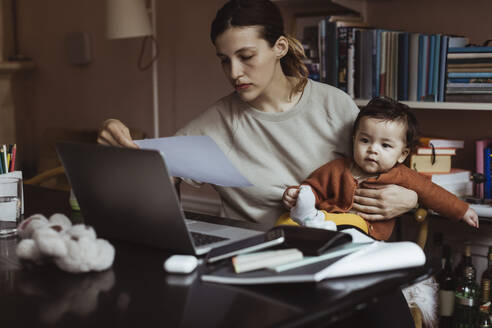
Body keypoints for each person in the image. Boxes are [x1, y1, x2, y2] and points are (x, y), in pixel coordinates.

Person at [98, 0, 419, 228]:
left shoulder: (334, 105)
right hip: (253, 260)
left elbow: (382, 170)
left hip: (339, 254)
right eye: (224, 60)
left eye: (246, 56)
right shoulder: (214, 123)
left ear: (279, 47)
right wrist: (116, 141)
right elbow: (157, 177)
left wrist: (410, 199)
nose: (234, 72)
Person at [280, 97, 479, 240]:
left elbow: (432, 193)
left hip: (367, 230)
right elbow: (313, 187)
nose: (372, 150)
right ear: (354, 140)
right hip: (327, 219)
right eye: (365, 140)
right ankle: (309, 222)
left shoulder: (402, 175)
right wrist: (296, 195)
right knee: (285, 221)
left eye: (385, 145)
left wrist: (462, 210)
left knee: (350, 227)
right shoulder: (337, 168)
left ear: (402, 154)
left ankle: (318, 227)